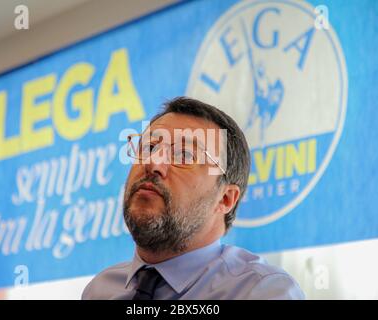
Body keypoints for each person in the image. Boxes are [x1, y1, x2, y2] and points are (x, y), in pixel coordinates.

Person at [82, 97, 304, 300]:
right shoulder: (100, 291)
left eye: (184, 154)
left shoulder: (260, 292)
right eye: (149, 147)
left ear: (225, 199)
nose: (153, 163)